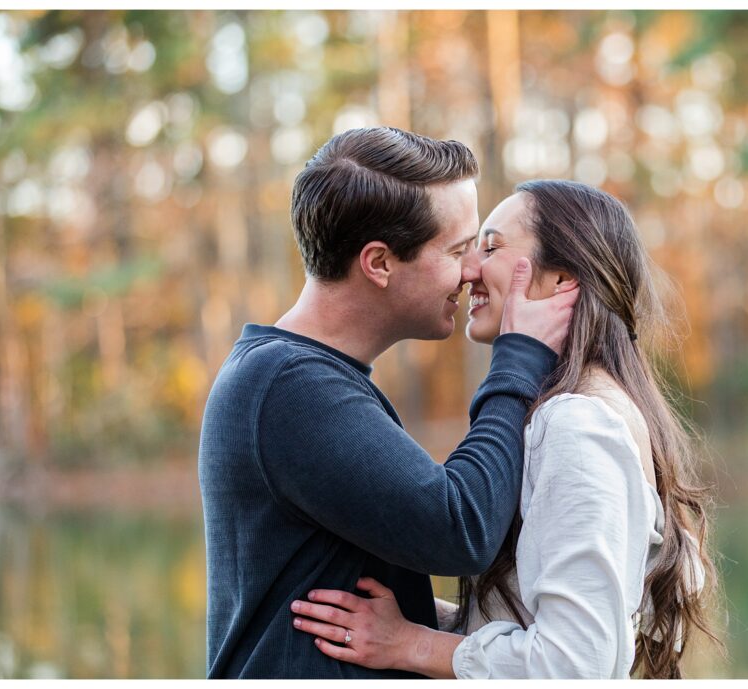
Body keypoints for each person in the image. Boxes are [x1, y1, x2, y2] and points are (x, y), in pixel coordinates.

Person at [289, 180, 719, 679]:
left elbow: (576, 663)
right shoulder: (579, 409)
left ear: (561, 279)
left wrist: (411, 644)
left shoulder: (577, 423)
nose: (468, 269)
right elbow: (538, 617)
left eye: (490, 247)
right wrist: (426, 615)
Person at [197, 128, 578, 678]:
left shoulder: (302, 378)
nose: (473, 269)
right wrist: (520, 358)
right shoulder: (290, 386)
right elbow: (461, 529)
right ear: (378, 263)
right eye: (456, 249)